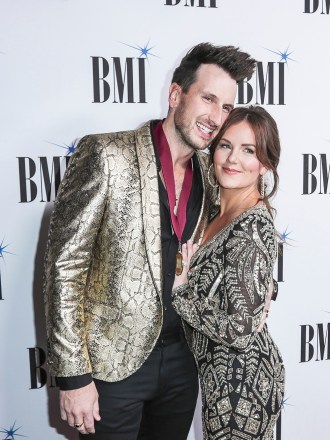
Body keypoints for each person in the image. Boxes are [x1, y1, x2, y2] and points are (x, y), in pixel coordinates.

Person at [44, 43, 256, 440]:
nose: (216, 117)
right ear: (176, 95)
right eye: (208, 98)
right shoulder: (107, 154)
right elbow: (64, 268)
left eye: (226, 107)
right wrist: (73, 377)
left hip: (182, 362)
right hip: (113, 366)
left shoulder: (213, 178)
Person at [172, 106, 285, 439]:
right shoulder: (221, 211)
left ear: (264, 163)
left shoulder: (251, 223)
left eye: (248, 150)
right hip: (221, 378)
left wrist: (181, 294)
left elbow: (239, 331)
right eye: (226, 145)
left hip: (242, 384)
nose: (232, 158)